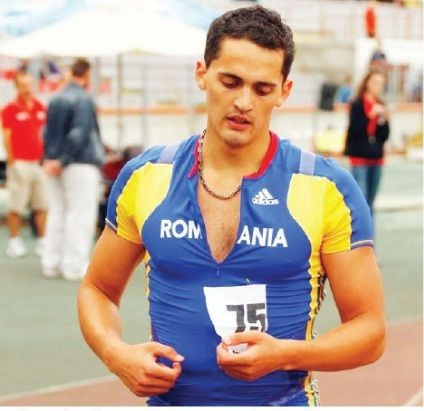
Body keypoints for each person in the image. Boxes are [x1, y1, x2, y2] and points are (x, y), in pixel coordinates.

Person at [78, 6, 386, 406]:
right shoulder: (146, 176)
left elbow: (370, 330)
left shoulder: (326, 187)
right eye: (230, 81)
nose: (244, 101)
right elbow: (98, 289)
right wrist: (116, 354)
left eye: (262, 89)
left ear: (284, 91)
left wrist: (286, 355)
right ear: (202, 74)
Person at [42, 58, 105, 281]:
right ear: (86, 74)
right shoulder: (84, 100)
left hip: (53, 163)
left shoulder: (55, 98)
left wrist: (51, 159)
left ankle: (51, 263)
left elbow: (47, 132)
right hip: (80, 163)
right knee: (81, 215)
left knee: (57, 212)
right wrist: (63, 159)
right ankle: (74, 266)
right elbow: (78, 132)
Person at [1, 71, 47, 258]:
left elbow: (45, 132)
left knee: (41, 203)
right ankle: (14, 241)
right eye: (23, 85)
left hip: (38, 163)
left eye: (29, 84)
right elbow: (7, 136)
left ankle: (43, 241)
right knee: (16, 204)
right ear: (17, 87)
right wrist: (12, 162)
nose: (27, 88)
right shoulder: (10, 109)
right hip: (20, 163)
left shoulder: (40, 106)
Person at [344, 69, 390, 218]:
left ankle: (370, 232)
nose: (378, 86)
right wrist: (371, 115)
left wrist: (384, 120)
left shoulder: (381, 105)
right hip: (359, 157)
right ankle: (359, 232)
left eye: (381, 84)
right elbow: (355, 131)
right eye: (375, 82)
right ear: (367, 83)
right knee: (360, 201)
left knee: (371, 202)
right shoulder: (357, 104)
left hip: (376, 157)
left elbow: (384, 136)